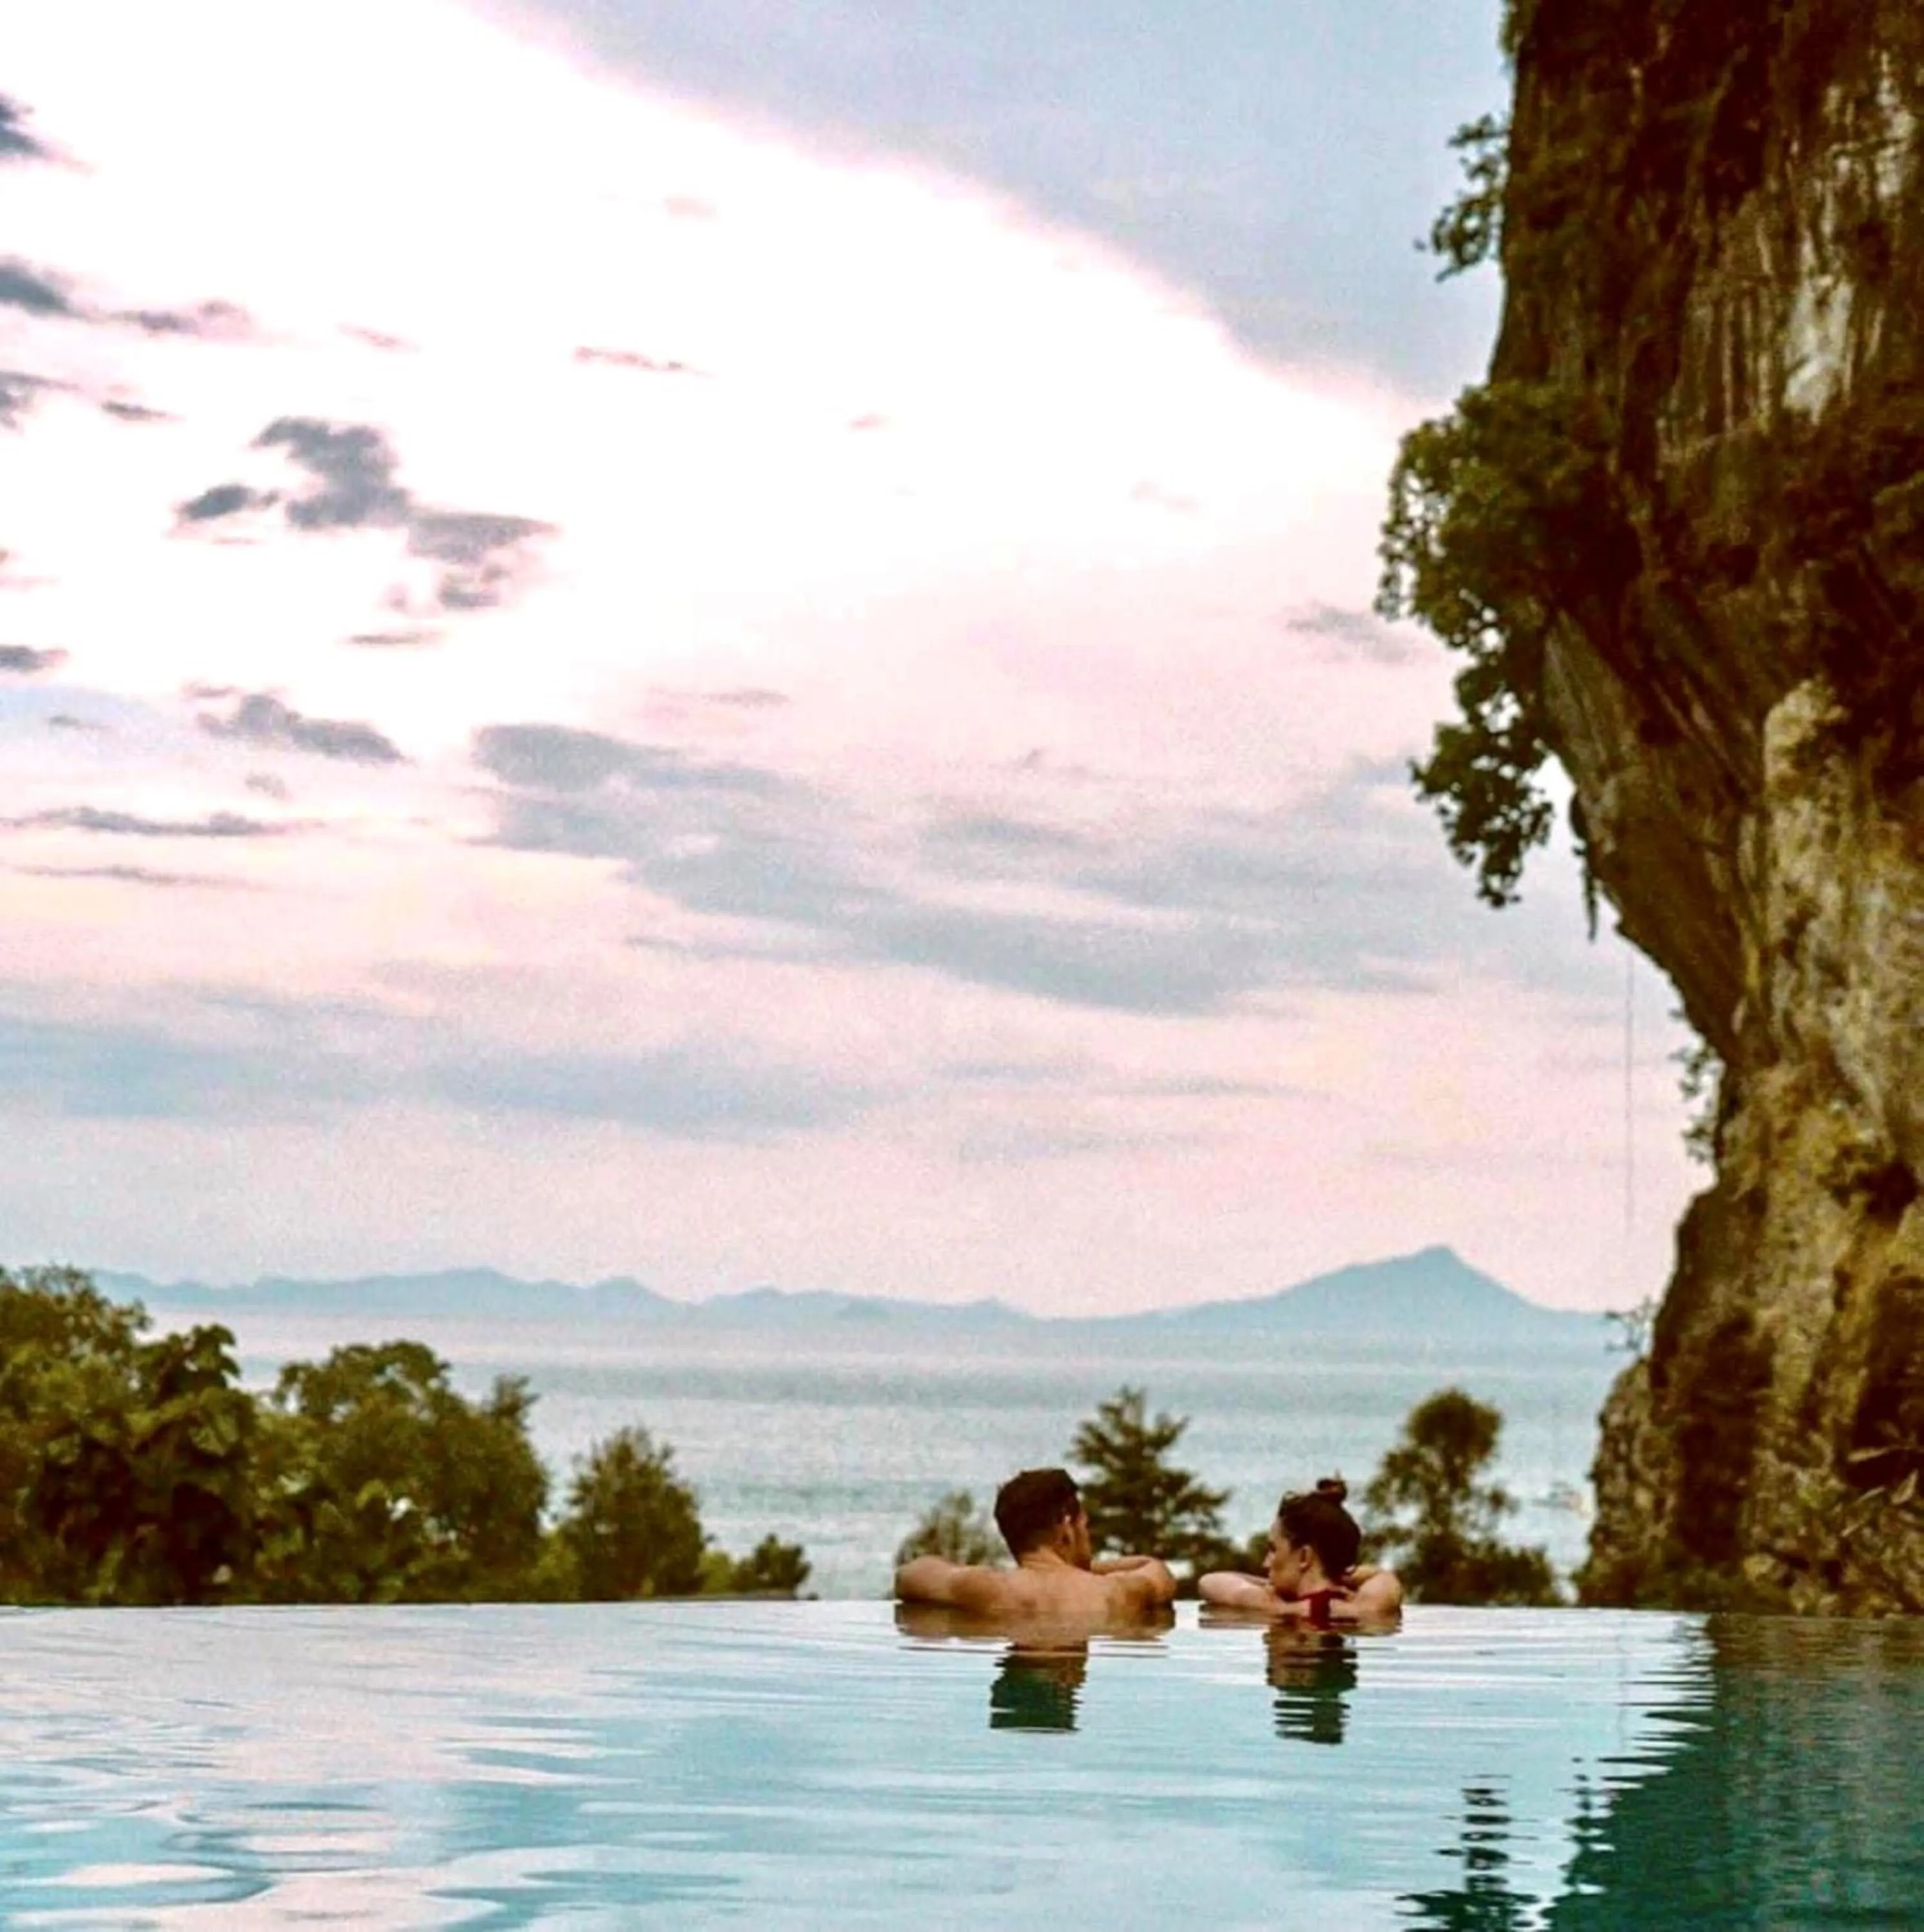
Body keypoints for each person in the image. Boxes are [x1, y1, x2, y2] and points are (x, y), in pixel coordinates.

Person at [893, 1466, 1177, 1618]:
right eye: (1085, 1526)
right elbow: (1156, 1570)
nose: (1088, 1538)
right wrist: (1089, 1570)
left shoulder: (985, 1588)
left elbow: (910, 1575)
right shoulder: (1117, 1593)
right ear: (1066, 1526)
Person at [1198, 1477, 1402, 1624]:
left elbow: (1209, 1582)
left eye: (1273, 1550)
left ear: (1304, 1556)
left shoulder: (1268, 1604)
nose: (1266, 1563)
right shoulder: (1362, 1607)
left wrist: (1278, 1607)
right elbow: (1384, 1577)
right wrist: (1338, 1575)